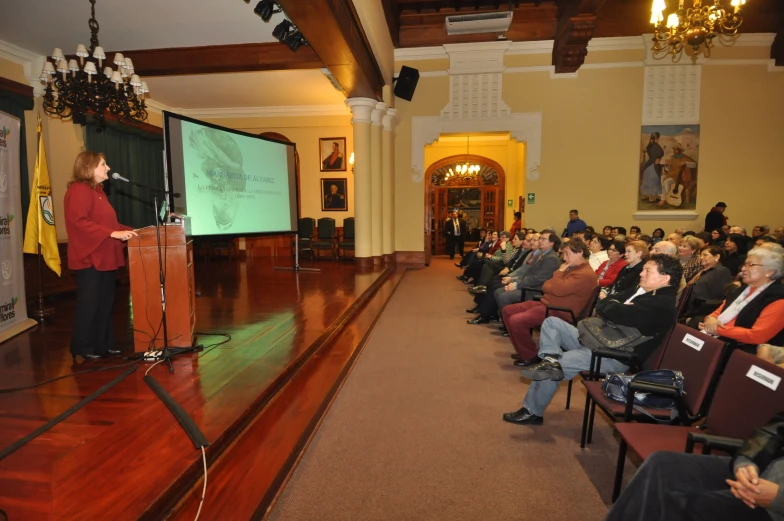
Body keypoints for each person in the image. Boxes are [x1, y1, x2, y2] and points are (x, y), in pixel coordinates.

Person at [503, 254, 682, 425]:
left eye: (648, 271)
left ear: (665, 279)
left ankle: (532, 411)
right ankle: (550, 358)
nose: (641, 274)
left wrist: (615, 307)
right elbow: (603, 303)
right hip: (596, 339)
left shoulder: (662, 305)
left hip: (612, 355)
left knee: (559, 364)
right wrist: (616, 307)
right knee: (552, 323)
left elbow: (615, 310)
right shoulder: (640, 290)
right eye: (643, 270)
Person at [605, 410, 784, 521]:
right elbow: (775, 430)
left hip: (775, 505)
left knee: (685, 506)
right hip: (764, 472)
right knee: (662, 465)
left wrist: (778, 498)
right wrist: (747, 461)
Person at [64, 151, 137, 362]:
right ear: (89, 167)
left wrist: (134, 231)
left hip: (105, 256)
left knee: (105, 302)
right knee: (90, 303)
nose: (108, 168)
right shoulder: (78, 191)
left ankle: (104, 343)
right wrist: (112, 233)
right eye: (103, 164)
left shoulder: (99, 192)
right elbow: (80, 222)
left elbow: (111, 226)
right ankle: (83, 346)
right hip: (90, 258)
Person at [501, 238, 598, 366]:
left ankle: (530, 356)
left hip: (560, 311)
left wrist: (559, 273)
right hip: (548, 303)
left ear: (579, 253)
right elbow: (545, 286)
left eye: (567, 253)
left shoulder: (584, 273)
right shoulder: (572, 268)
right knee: (508, 310)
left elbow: (556, 289)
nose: (564, 258)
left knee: (516, 320)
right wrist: (556, 284)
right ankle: (525, 350)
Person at [700, 247, 784, 352]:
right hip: (722, 338)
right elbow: (719, 311)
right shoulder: (743, 289)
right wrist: (710, 319)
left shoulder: (778, 298)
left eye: (751, 265)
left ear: (770, 272)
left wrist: (718, 330)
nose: (744, 269)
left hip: (745, 350)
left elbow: (756, 336)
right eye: (745, 264)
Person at [681, 244, 734, 328]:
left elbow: (718, 297)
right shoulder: (700, 270)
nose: (701, 257)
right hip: (688, 309)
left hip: (703, 312)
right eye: (701, 255)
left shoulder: (721, 271)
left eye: (705, 255)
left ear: (717, 257)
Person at [640, 132, 664, 202]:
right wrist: (657, 159)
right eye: (658, 138)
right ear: (656, 138)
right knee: (654, 181)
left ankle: (645, 196)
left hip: (648, 165)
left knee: (648, 181)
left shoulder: (649, 145)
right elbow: (660, 153)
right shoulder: (655, 145)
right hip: (653, 166)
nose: (658, 139)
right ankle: (651, 198)